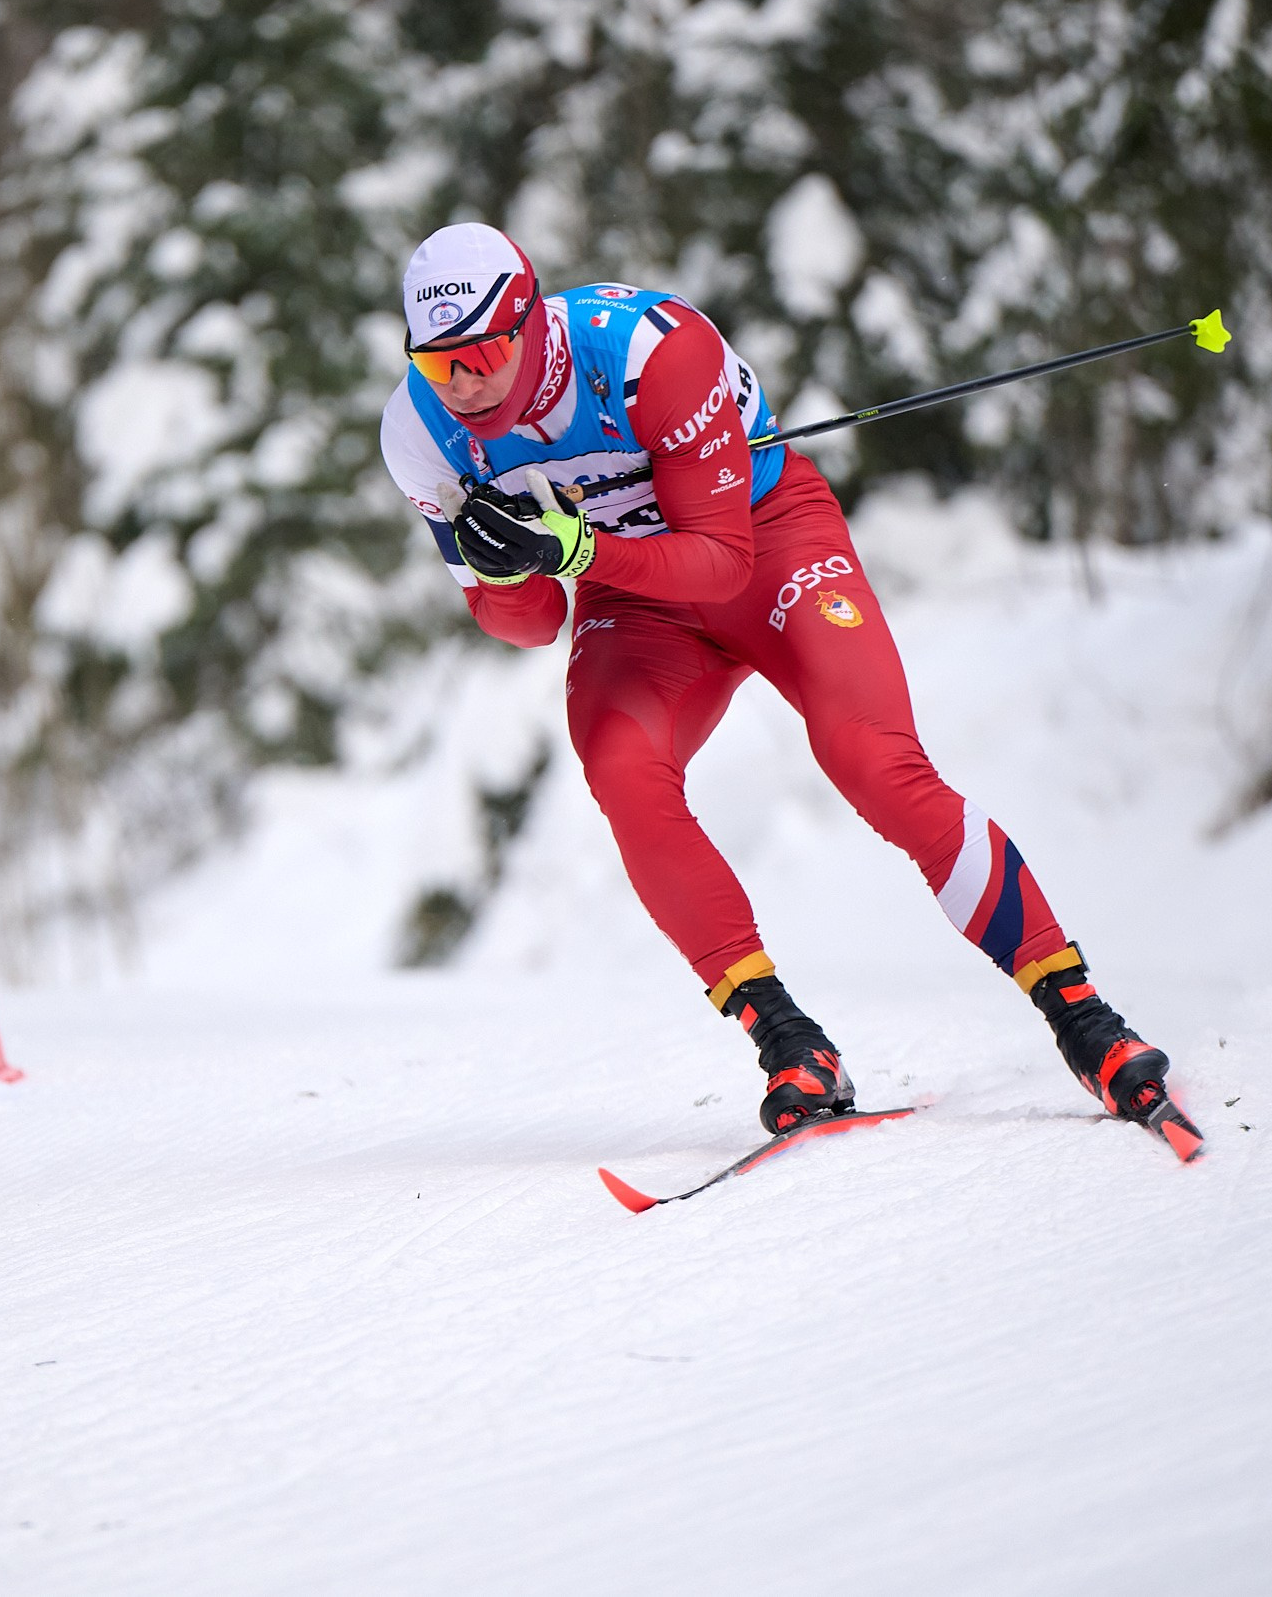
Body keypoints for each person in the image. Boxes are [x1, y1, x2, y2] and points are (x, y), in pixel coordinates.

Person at [379, 222, 1199, 1157]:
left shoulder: (650, 352)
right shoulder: (418, 431)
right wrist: (504, 564)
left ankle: (1083, 1016)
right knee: (620, 767)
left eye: (484, 351)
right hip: (633, 597)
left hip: (765, 542)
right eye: (441, 365)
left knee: (869, 759)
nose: (466, 383)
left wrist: (575, 546)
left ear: (530, 320)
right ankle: (786, 1040)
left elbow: (723, 563)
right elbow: (530, 624)